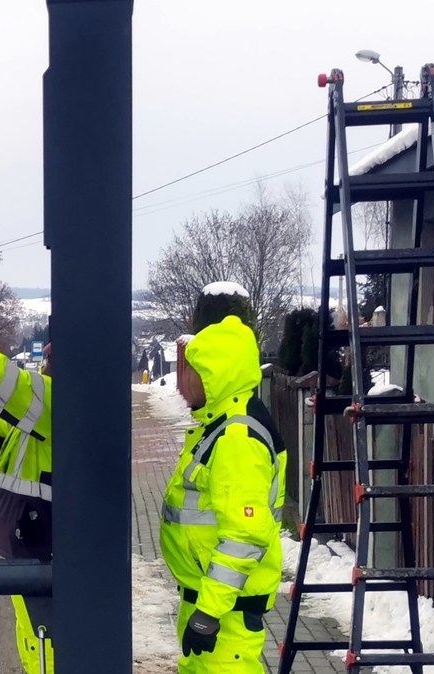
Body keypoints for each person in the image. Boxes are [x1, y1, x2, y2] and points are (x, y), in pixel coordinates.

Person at [160, 282, 287, 673]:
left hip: (223, 618)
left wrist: (209, 613)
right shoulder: (220, 427)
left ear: (217, 374)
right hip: (209, 606)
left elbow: (244, 537)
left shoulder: (237, 439)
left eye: (194, 372)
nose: (187, 382)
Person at [0, 336, 54, 673]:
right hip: (28, 559)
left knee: (47, 653)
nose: (46, 352)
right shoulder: (45, 419)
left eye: (55, 347)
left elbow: (4, 380)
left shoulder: (64, 402)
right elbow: (13, 434)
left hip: (44, 565)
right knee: (34, 648)